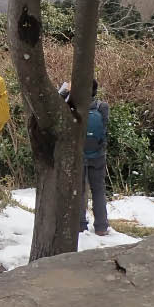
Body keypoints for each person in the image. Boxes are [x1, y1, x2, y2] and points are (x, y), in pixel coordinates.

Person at [60, 79, 110, 236]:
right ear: (95, 91)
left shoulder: (72, 106)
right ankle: (101, 226)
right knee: (98, 190)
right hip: (98, 155)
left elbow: (55, 106)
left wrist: (66, 92)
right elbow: (104, 129)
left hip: (78, 154)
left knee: (79, 190)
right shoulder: (102, 107)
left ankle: (80, 224)